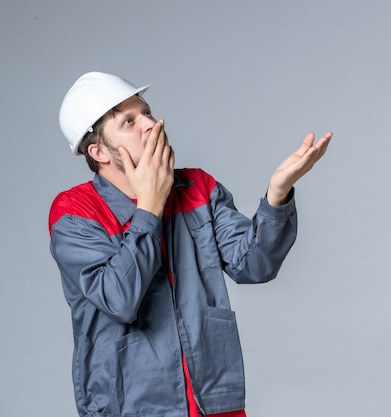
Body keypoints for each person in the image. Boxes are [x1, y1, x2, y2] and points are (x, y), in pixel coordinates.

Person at [48, 71, 332, 417]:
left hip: (212, 399)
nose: (151, 124)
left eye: (147, 112)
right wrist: (149, 207)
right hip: (132, 406)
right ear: (99, 152)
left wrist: (278, 193)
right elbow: (119, 299)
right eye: (129, 121)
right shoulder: (75, 214)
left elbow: (254, 264)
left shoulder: (197, 187)